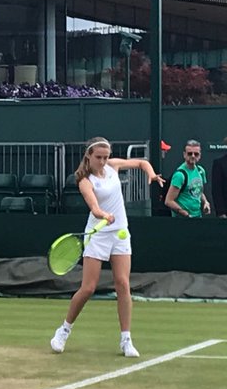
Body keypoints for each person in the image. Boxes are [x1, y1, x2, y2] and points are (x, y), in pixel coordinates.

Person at [50, 137, 164, 359]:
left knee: (123, 284)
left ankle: (126, 339)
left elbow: (142, 163)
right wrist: (103, 214)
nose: (103, 162)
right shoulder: (84, 180)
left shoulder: (113, 166)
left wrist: (150, 174)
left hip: (120, 234)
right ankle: (63, 330)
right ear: (89, 156)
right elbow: (94, 207)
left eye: (106, 157)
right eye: (98, 157)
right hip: (98, 235)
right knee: (88, 288)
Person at [163, 139, 211, 218]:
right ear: (184, 155)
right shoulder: (179, 175)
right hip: (182, 220)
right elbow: (168, 201)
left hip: (198, 216)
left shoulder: (201, 171)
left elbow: (199, 191)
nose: (193, 156)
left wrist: (205, 202)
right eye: (190, 153)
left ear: (200, 155)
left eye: (196, 154)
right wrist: (184, 213)